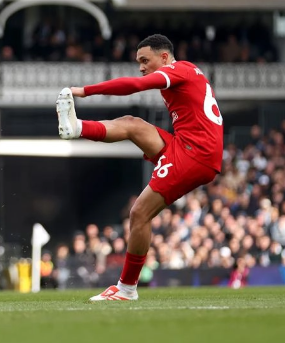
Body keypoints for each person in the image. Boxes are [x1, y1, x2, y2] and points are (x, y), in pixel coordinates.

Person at [56, 34, 223, 301]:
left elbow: (134, 85)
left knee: (139, 213)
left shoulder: (175, 70)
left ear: (165, 57)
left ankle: (126, 288)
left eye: (145, 60)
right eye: (139, 62)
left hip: (195, 154)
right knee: (132, 124)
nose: (142, 67)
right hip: (186, 145)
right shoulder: (189, 70)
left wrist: (84, 90)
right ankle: (77, 128)